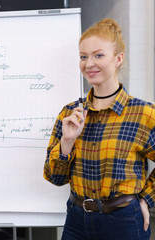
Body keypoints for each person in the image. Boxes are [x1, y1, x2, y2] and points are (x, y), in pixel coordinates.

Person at [44, 18, 155, 239]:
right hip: (76, 221)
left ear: (118, 59)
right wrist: (67, 142)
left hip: (123, 221)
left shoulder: (144, 113)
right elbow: (55, 177)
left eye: (98, 55)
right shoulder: (70, 114)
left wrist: (146, 198)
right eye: (83, 57)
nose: (89, 63)